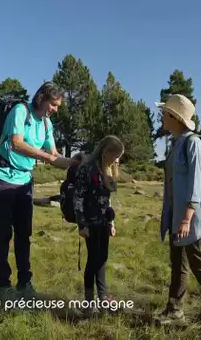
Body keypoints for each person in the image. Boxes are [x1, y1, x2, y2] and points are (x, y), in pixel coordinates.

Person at [0, 81, 82, 300]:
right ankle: (3, 285)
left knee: (24, 233)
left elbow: (55, 155)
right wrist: (47, 157)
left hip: (25, 181)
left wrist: (76, 162)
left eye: (58, 106)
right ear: (41, 98)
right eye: (53, 104)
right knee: (3, 233)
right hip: (3, 178)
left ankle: (25, 282)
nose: (55, 110)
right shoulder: (20, 112)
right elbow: (16, 143)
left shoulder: (46, 124)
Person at [153, 94, 201, 334]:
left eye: (165, 113)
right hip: (178, 218)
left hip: (192, 219)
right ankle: (175, 310)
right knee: (178, 265)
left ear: (175, 117)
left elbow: (196, 184)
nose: (162, 116)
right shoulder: (177, 143)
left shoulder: (192, 143)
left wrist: (186, 218)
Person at [72, 135, 124, 316]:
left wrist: (111, 222)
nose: (117, 160)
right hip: (90, 222)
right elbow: (78, 198)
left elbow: (107, 200)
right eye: (115, 155)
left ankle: (103, 299)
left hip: (103, 222)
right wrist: (82, 224)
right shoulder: (87, 169)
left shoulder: (109, 170)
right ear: (105, 152)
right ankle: (89, 302)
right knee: (93, 261)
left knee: (102, 259)